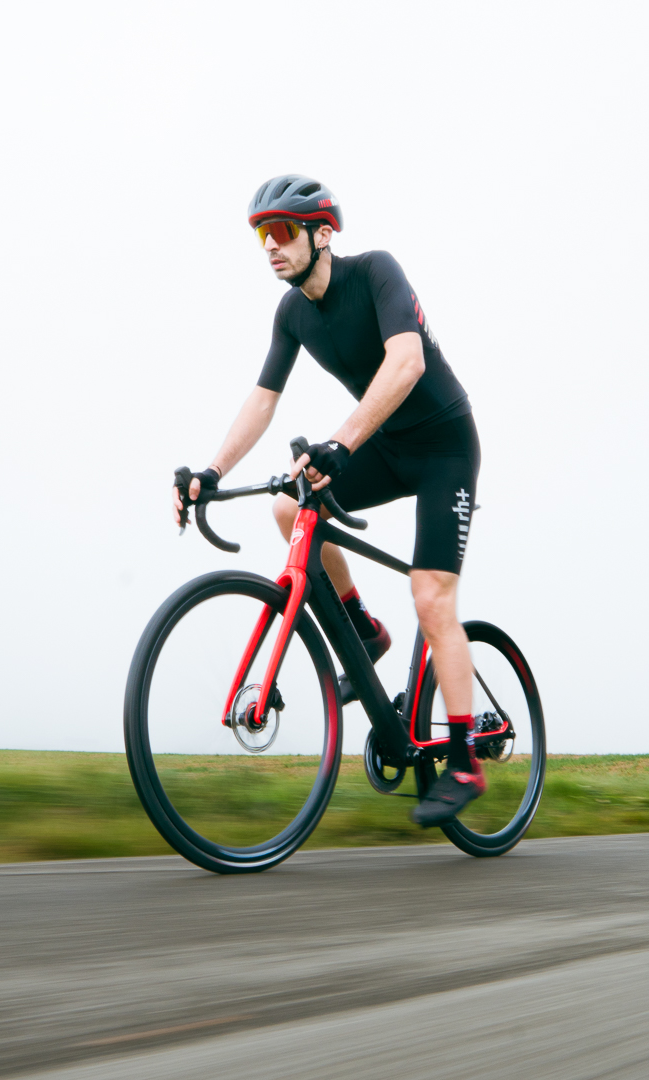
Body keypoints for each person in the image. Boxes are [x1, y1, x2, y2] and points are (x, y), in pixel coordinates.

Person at [171, 174, 485, 826]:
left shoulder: (374, 273)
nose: (270, 246)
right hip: (386, 444)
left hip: (445, 449)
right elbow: (263, 400)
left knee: (431, 596)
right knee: (291, 506)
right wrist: (212, 470)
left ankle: (463, 762)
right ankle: (363, 628)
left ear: (321, 235)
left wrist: (341, 442)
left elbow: (407, 363)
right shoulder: (292, 313)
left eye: (282, 231)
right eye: (262, 235)